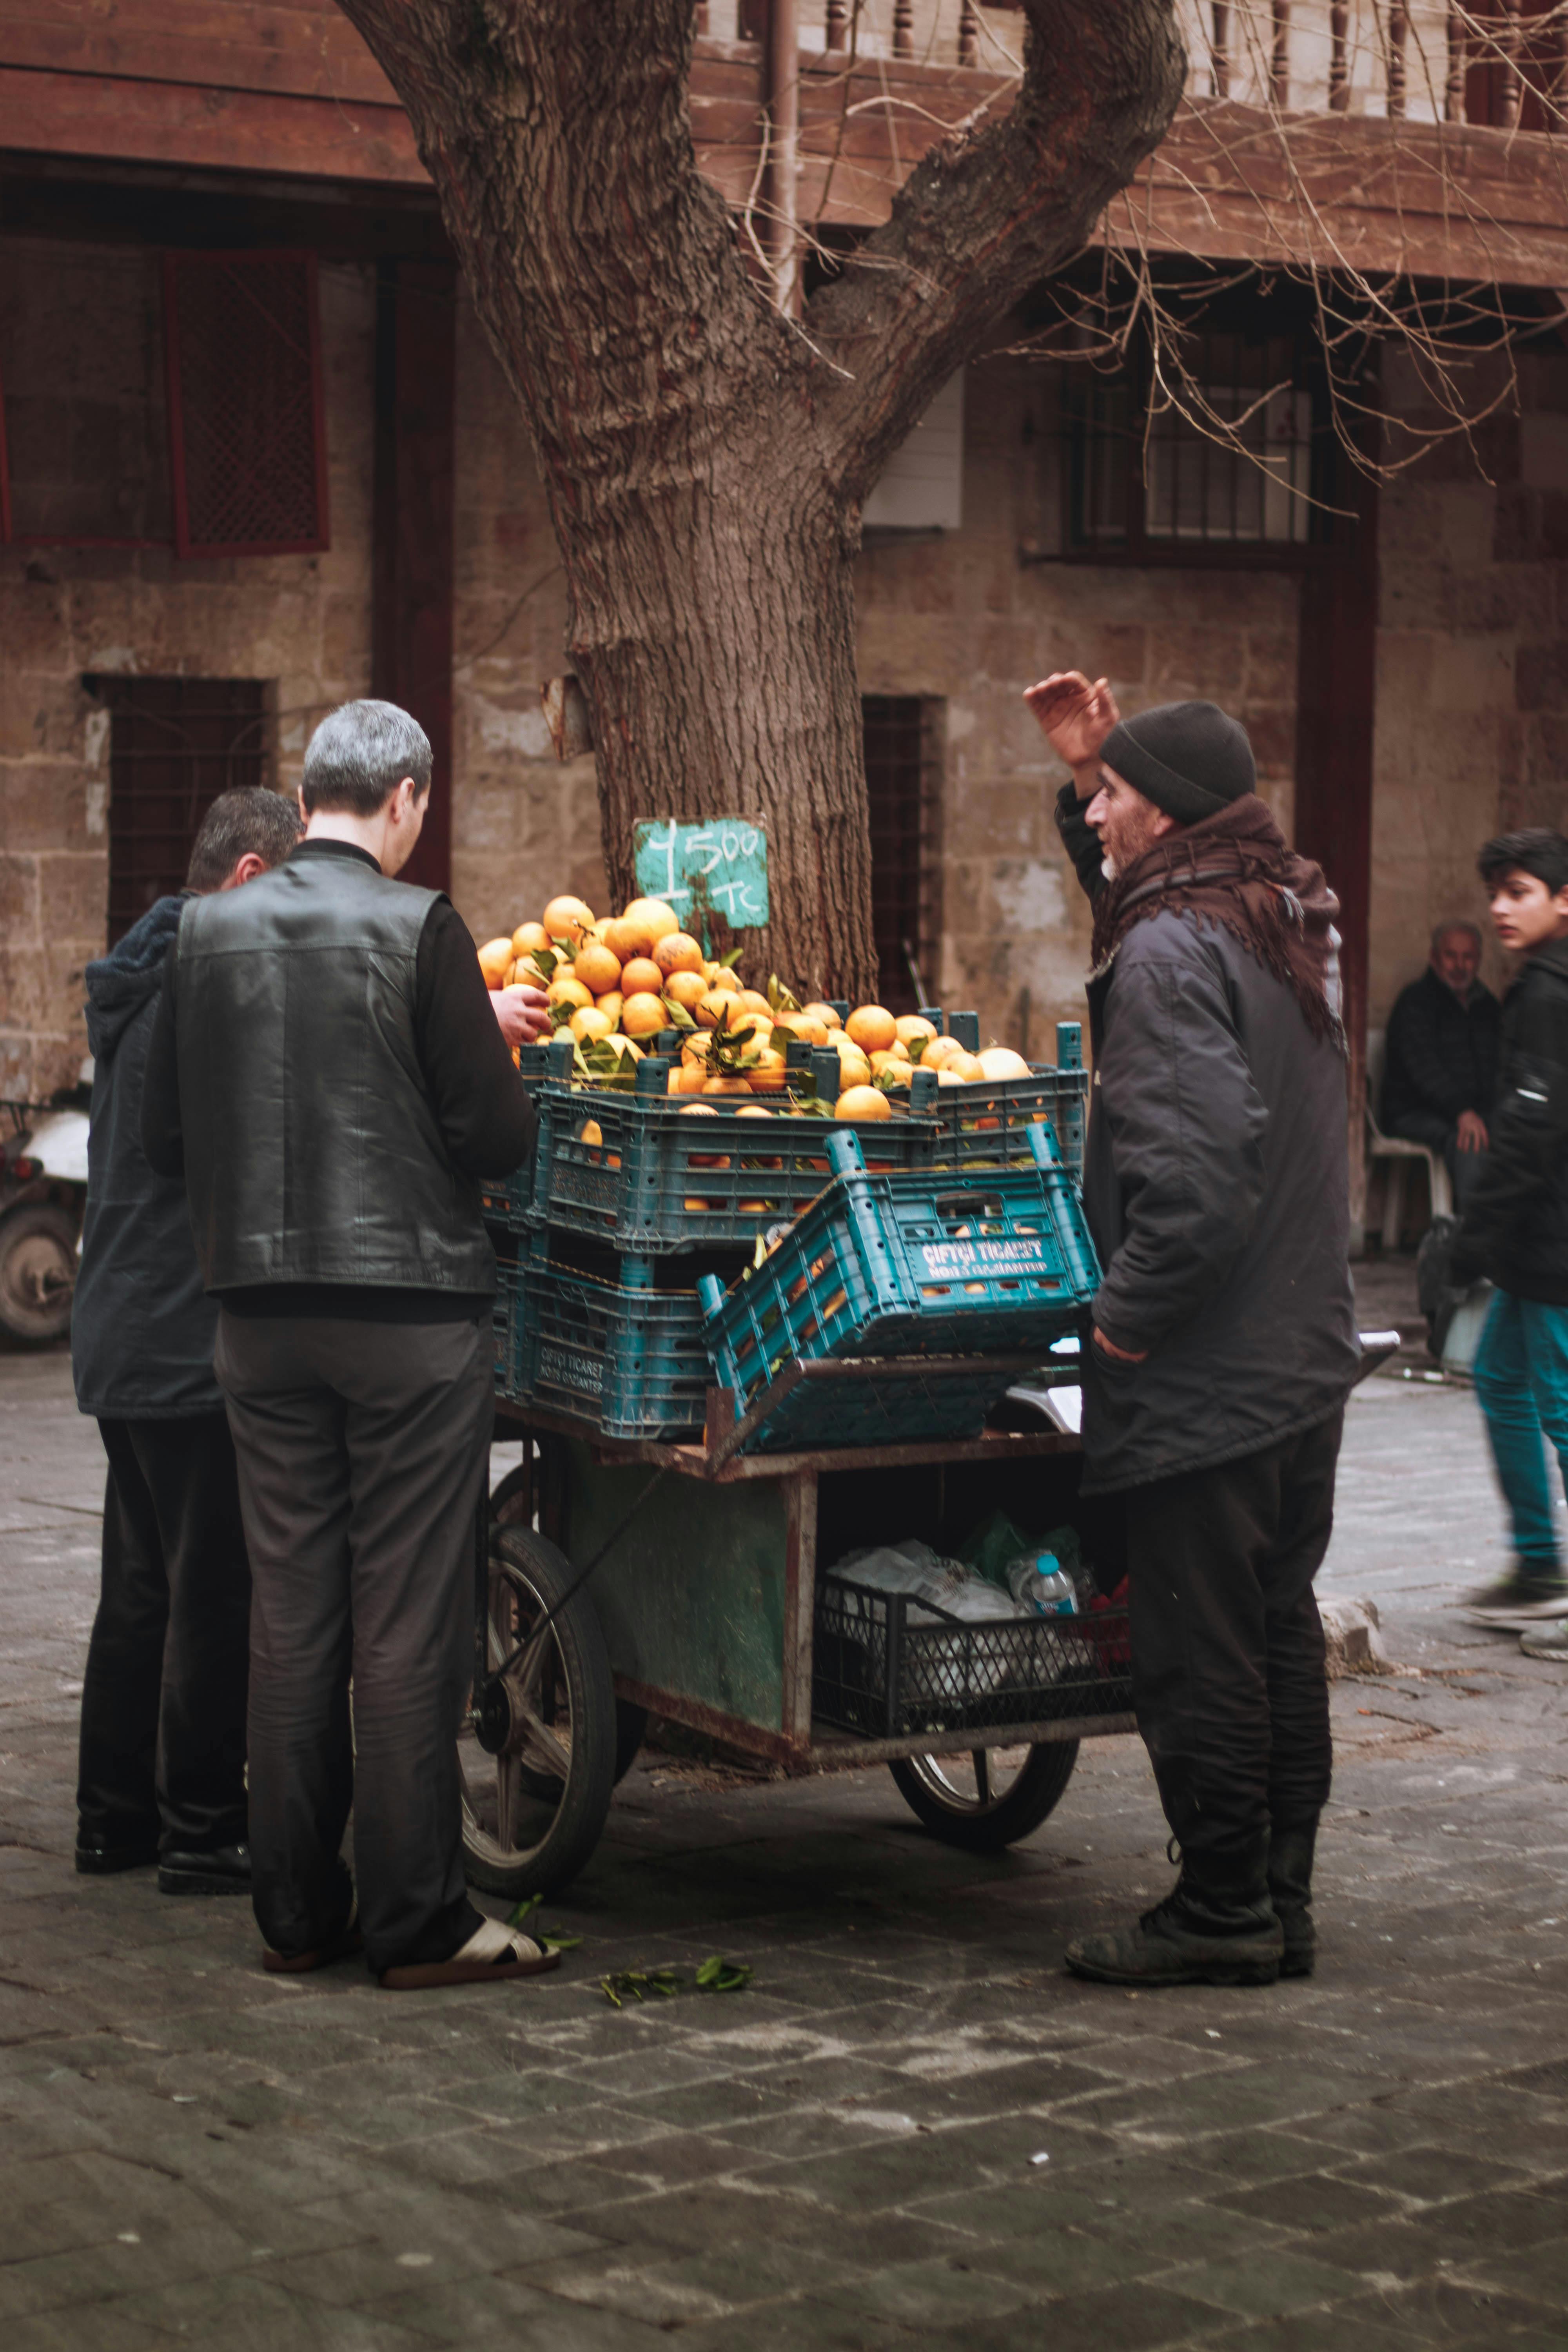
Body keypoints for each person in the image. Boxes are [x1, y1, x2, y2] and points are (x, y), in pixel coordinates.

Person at [142, 699, 557, 1987]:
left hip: (257, 1320)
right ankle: (419, 1918)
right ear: (409, 800)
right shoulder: (417, 923)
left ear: (307, 790)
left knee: (294, 1609)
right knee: (408, 1617)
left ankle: (294, 1913)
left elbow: (163, 1143)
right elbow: (495, 1139)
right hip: (408, 1321)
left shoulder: (200, 932)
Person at [1025, 671, 1360, 1989]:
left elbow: (1198, 1178)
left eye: (1107, 800)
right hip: (1302, 1355)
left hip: (1206, 1368)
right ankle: (1278, 1900)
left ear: (1160, 817)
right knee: (1277, 1632)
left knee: (1202, 1649)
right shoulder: (1289, 910)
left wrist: (1123, 1324)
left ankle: (1219, 1911)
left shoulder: (1170, 952)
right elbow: (1148, 892)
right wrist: (1089, 767)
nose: (1094, 816)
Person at [72, 787, 302, 1890]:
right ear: (252, 880)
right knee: (211, 1593)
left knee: (142, 1587)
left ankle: (112, 1823)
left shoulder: (147, 968)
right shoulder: (197, 987)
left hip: (123, 1324)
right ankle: (204, 1833)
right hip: (177, 1332)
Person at [1448, 829, 1568, 1645]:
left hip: (1552, 1241)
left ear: (1562, 901)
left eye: (1517, 890)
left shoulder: (1545, 994)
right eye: (1494, 890)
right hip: (1537, 1241)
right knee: (1497, 1375)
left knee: (1558, 1404)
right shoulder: (1540, 984)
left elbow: (1527, 1132)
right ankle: (1535, 1564)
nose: (1498, 906)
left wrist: (1468, 1240)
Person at [1381, 920, 1500, 1211]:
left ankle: (1519, 1238)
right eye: (1451, 955)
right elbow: (1423, 1068)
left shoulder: (1489, 1007)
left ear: (1479, 960)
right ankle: (1475, 1238)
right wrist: (1462, 1112)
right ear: (1434, 958)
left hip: (1473, 1112)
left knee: (1520, 1134)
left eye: (1468, 957)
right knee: (1470, 1140)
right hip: (1415, 1112)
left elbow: (1503, 1064)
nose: (1460, 965)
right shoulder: (1415, 1003)